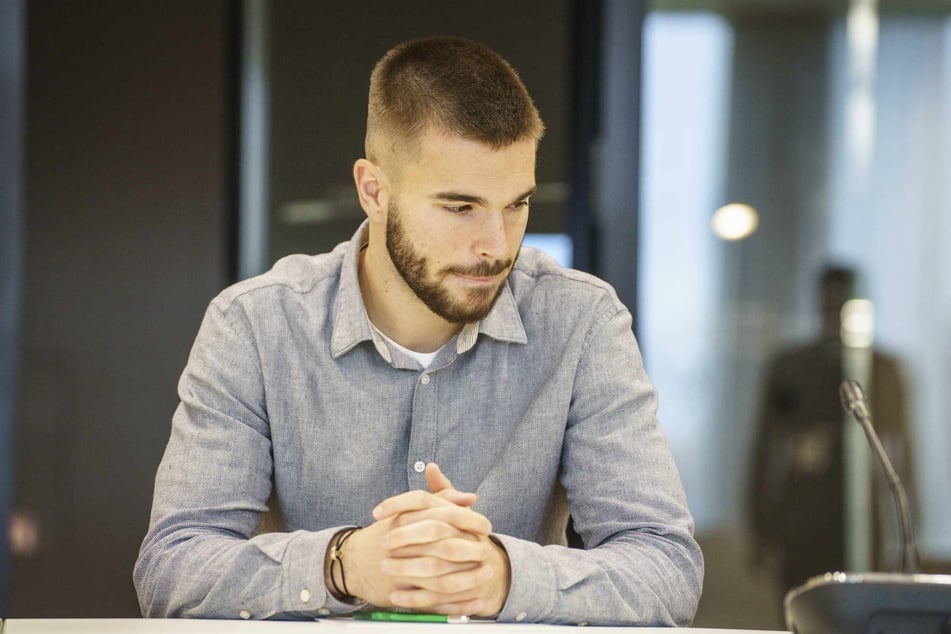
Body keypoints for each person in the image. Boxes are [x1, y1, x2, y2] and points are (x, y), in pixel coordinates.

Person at [134, 36, 703, 625]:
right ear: (373, 192)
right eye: (461, 207)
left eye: (517, 204)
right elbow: (172, 569)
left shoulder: (581, 321)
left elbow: (666, 569)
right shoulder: (255, 325)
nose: (497, 245)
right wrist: (345, 564)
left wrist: (505, 577)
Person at [748, 265, 915, 594]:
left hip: (865, 526)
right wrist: (760, 531)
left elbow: (904, 454)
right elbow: (763, 452)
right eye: (829, 305)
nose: (835, 316)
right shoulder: (791, 368)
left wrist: (908, 532)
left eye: (843, 305)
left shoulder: (884, 370)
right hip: (801, 524)